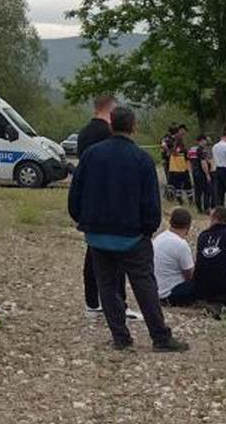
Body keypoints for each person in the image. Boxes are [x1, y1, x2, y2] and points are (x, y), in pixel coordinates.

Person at [69, 106, 188, 352]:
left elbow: (75, 195)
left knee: (107, 286)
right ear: (134, 127)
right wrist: (147, 230)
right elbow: (151, 204)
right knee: (144, 285)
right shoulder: (142, 159)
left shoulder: (91, 155)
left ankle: (121, 338)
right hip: (132, 236)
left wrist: (85, 222)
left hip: (98, 235)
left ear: (111, 126)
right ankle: (160, 337)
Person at [76, 96, 142, 320]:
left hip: (91, 205)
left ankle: (93, 301)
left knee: (93, 254)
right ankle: (117, 304)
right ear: (112, 111)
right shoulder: (107, 135)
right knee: (116, 260)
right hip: (112, 204)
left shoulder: (84, 133)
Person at [154, 208, 196, 307]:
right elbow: (190, 275)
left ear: (170, 222)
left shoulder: (159, 238)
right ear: (188, 226)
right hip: (170, 293)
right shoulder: (181, 244)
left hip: (156, 291)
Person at [189, 135, 213, 214]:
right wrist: (207, 174)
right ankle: (206, 208)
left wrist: (192, 171)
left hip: (195, 173)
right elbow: (203, 163)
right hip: (201, 173)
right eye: (205, 140)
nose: (206, 142)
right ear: (202, 141)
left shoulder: (192, 150)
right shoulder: (201, 150)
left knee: (198, 191)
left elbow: (190, 162)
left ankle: (199, 209)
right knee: (206, 191)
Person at [167, 137, 192, 205]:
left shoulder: (172, 151)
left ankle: (179, 199)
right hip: (183, 169)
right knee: (188, 186)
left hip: (174, 170)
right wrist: (189, 168)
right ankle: (190, 200)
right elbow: (187, 159)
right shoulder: (184, 150)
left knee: (177, 186)